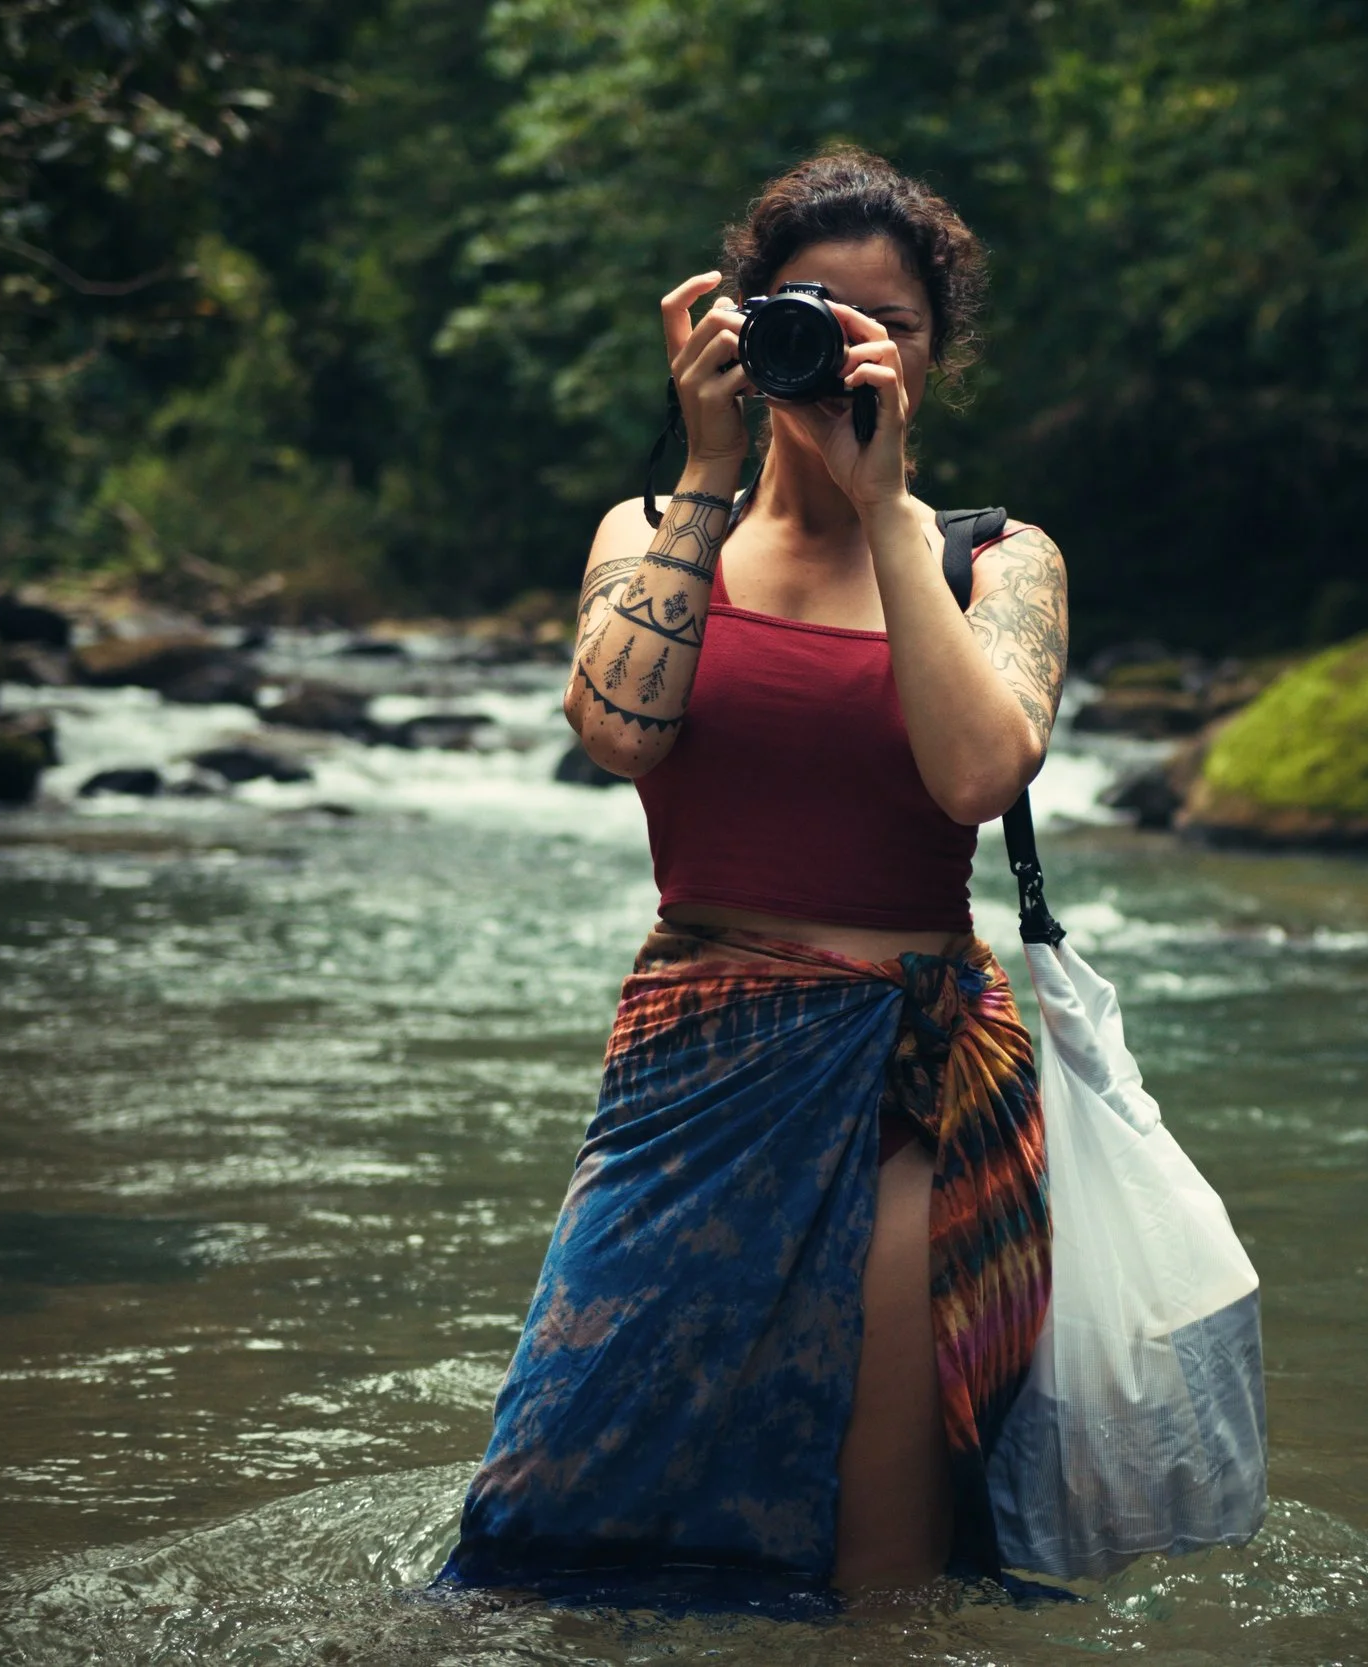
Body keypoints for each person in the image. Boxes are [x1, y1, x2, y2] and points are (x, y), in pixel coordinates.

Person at [438, 146, 1070, 1599]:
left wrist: (890, 511)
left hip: (912, 1080)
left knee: (881, 1561)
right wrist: (709, 474)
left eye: (887, 323)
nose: (846, 345)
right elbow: (616, 729)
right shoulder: (651, 534)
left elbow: (979, 774)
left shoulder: (1000, 561)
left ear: (934, 353)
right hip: (690, 1068)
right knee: (550, 1509)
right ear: (734, 322)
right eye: (810, 309)